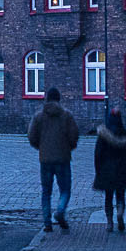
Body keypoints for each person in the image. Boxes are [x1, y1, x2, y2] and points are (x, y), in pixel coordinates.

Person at [27, 88, 80, 232]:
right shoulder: (67, 116)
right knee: (65, 189)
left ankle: (47, 223)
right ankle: (60, 211)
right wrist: (69, 147)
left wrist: (41, 147)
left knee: (46, 191)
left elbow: (31, 136)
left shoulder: (39, 117)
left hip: (45, 159)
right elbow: (74, 135)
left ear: (46, 98)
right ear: (59, 99)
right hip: (63, 158)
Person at [92, 109, 126, 232]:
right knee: (120, 194)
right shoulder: (125, 133)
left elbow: (98, 154)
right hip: (122, 166)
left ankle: (110, 222)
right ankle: (120, 212)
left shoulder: (103, 134)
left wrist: (98, 169)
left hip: (107, 168)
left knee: (108, 196)